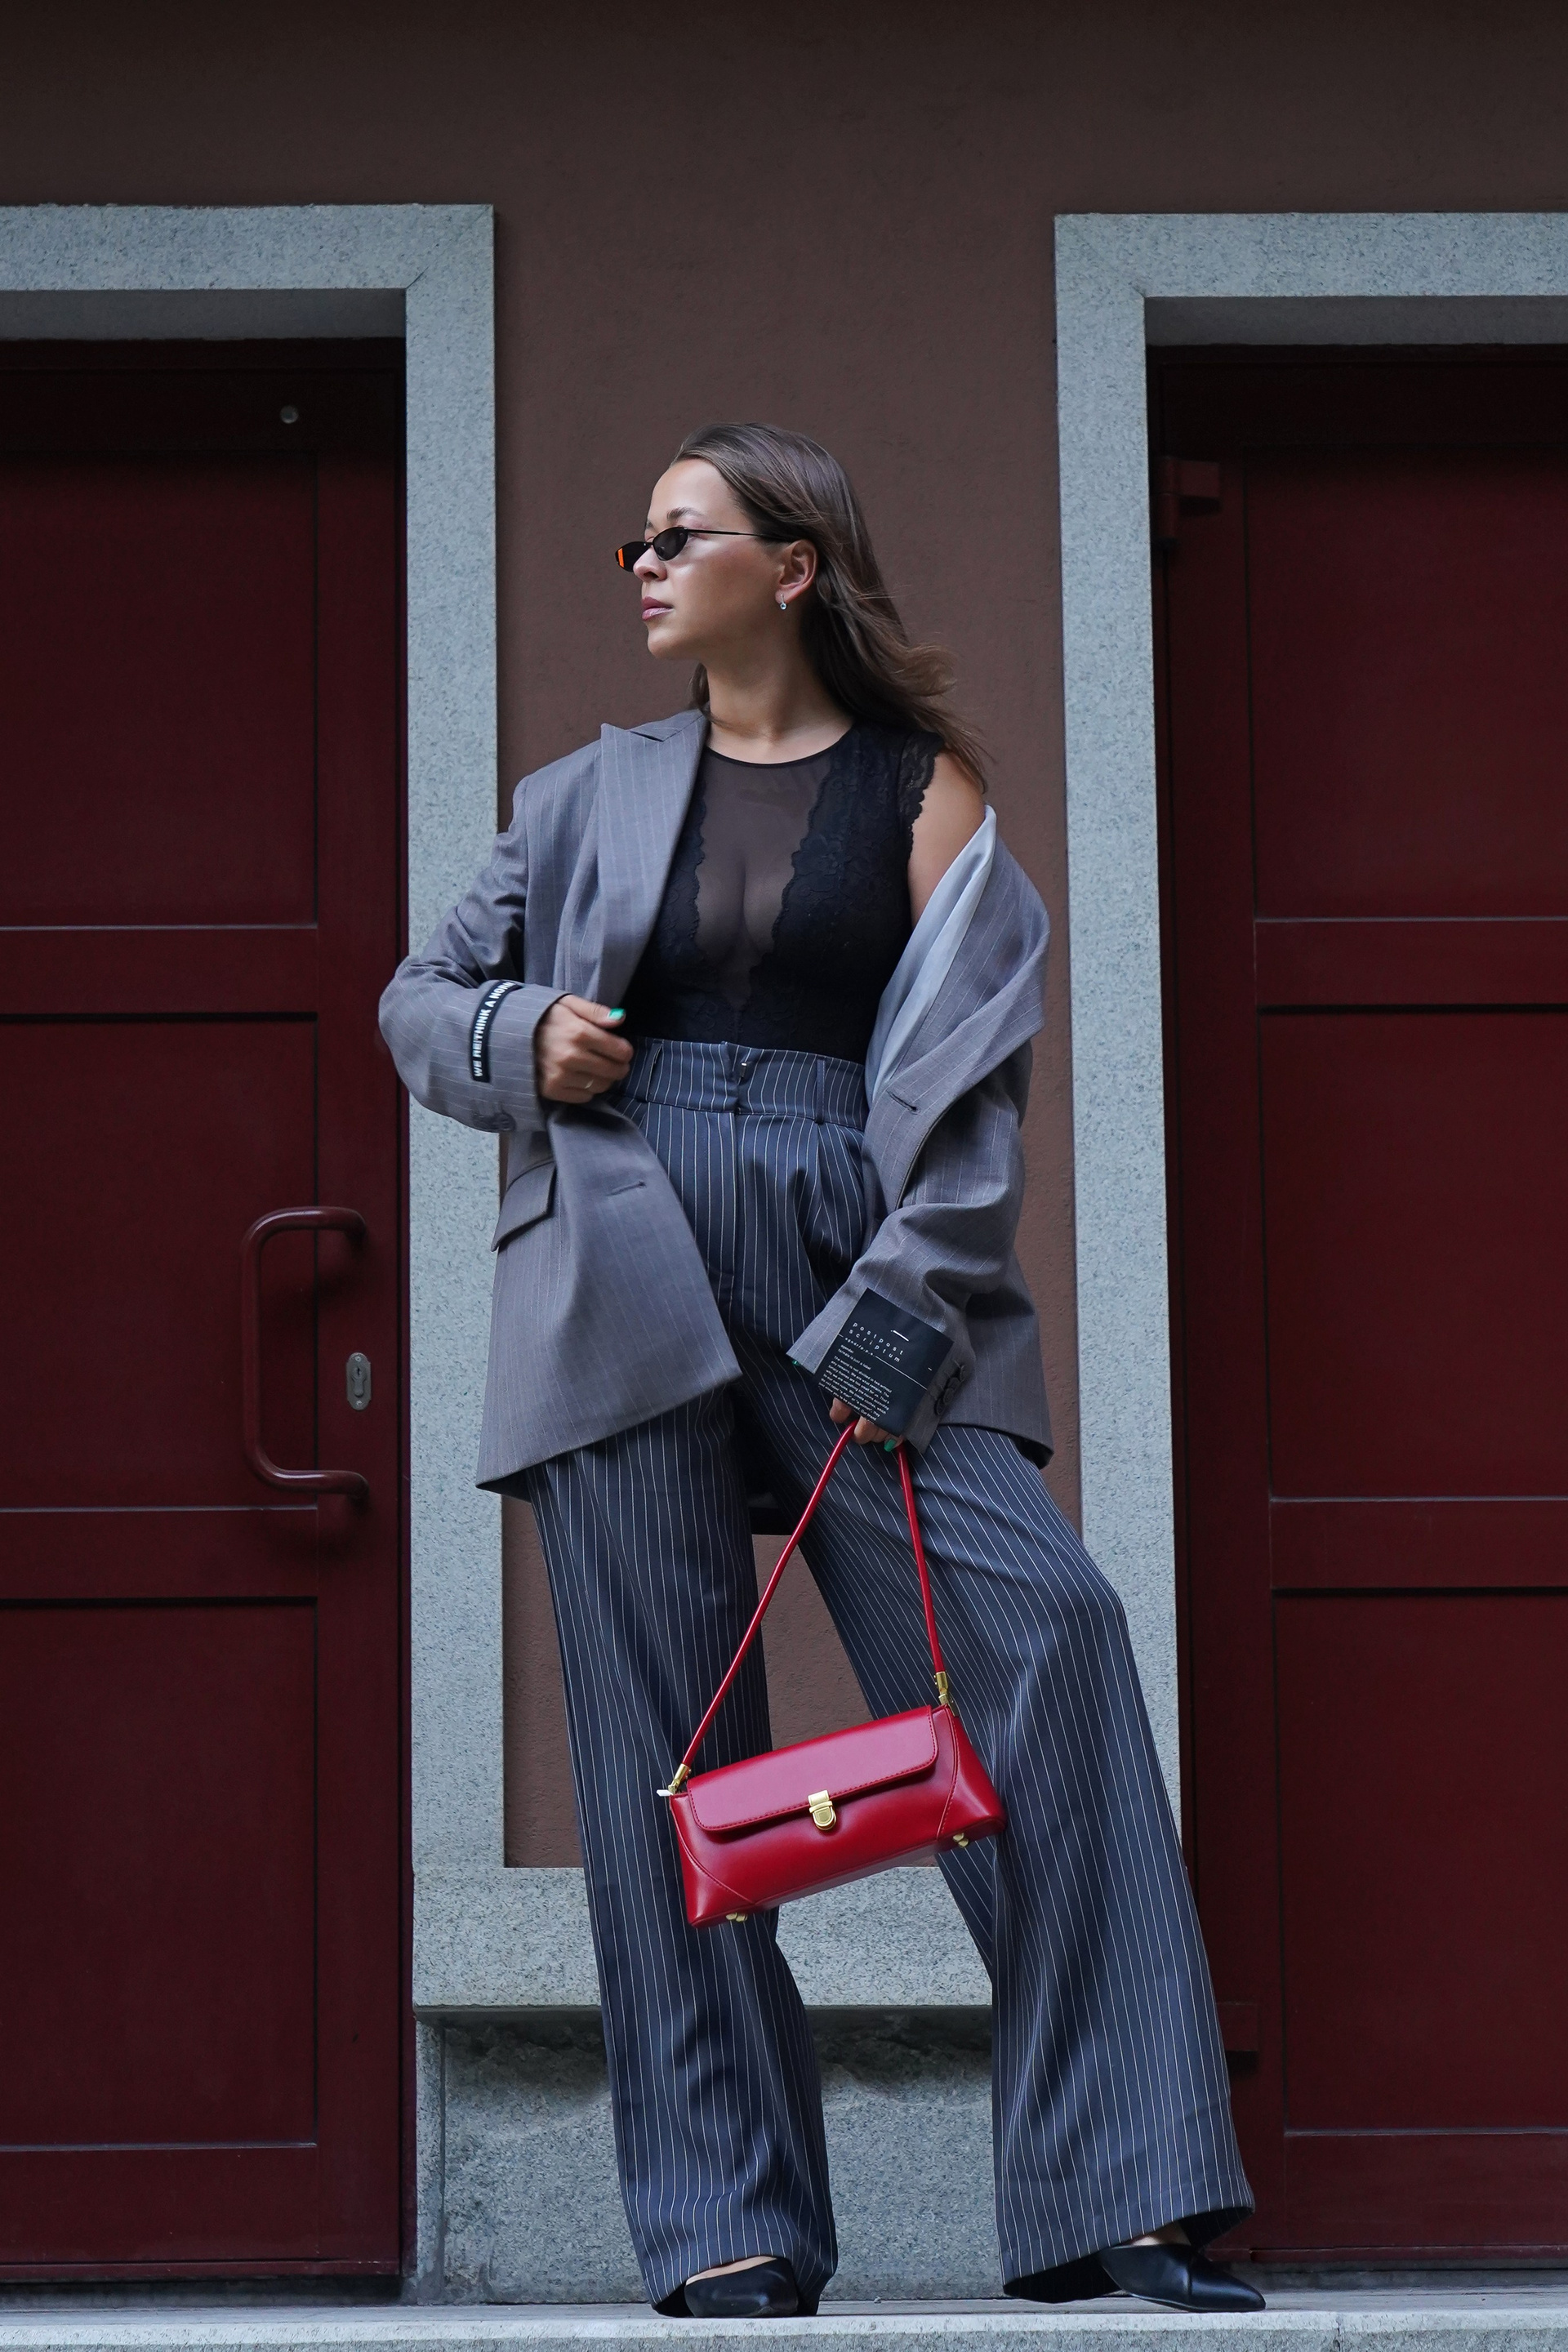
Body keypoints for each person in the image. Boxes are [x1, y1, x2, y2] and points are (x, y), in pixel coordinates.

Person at [379, 422, 1262, 2318]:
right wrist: (522, 1037)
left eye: (679, 533)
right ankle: (730, 2223)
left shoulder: (924, 792)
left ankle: (1118, 2194)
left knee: (1055, 1639)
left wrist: (897, 1318)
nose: (642, 561)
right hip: (613, 1282)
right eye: (636, 537)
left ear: (791, 567)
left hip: (857, 1270)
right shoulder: (577, 798)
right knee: (669, 1759)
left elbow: (971, 1098)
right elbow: (418, 1002)